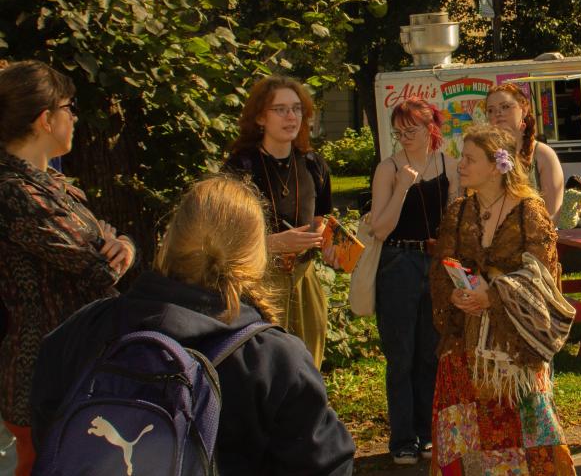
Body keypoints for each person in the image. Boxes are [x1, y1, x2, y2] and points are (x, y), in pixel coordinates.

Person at [31, 176, 356, 474]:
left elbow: (50, 437)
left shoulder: (82, 330)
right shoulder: (273, 360)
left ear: (169, 238)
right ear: (255, 256)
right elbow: (327, 466)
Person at [0, 61, 136, 476]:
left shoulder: (52, 184)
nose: (74, 117)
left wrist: (124, 243)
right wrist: (114, 247)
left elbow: (109, 243)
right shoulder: (13, 192)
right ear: (45, 119)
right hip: (41, 374)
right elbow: (99, 267)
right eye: (69, 107)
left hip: (76, 364)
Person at [428, 125, 575, 474]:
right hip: (464, 345)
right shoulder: (458, 211)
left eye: (469, 159)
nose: (460, 165)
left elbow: (544, 277)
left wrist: (493, 296)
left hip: (515, 352)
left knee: (533, 440)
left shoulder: (529, 211)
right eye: (461, 157)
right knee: (464, 443)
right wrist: (457, 294)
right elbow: (439, 269)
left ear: (496, 165)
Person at [368, 97, 457, 465]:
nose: (405, 137)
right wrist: (403, 186)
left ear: (430, 127)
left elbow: (454, 221)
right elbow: (380, 228)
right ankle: (402, 438)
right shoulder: (388, 169)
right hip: (398, 262)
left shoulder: (448, 165)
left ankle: (426, 433)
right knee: (400, 356)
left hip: (435, 263)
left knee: (430, 354)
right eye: (399, 131)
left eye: (412, 129)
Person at [224, 76, 331, 368]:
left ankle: (308, 415)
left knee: (309, 364)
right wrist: (272, 244)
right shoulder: (240, 167)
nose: (291, 116)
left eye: (296, 109)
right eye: (281, 109)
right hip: (260, 281)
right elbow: (226, 238)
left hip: (304, 277)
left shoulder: (313, 164)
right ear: (260, 117)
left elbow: (321, 217)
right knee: (265, 366)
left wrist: (322, 235)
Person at [485, 83, 564, 218]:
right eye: (491, 110)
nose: (498, 113)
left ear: (524, 109)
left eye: (505, 107)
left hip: (534, 236)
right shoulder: (484, 154)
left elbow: (553, 215)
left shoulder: (542, 154)